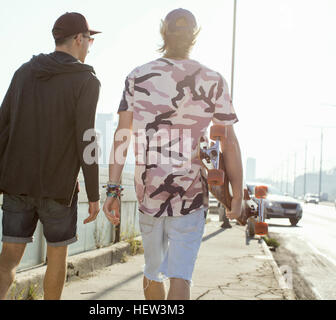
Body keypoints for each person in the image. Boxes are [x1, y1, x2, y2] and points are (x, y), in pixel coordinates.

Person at [103, 8, 243, 300]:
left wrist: (113, 189)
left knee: (153, 271)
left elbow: (122, 136)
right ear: (194, 36)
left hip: (149, 193)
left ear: (162, 32)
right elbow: (228, 141)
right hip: (190, 195)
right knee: (180, 277)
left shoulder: (137, 76)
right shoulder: (212, 79)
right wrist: (238, 195)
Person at [0, 12, 101, 300]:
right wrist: (94, 194)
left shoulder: (24, 71)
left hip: (16, 182)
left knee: (9, 255)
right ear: (77, 39)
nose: (89, 45)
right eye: (89, 39)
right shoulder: (86, 80)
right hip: (58, 188)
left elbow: (1, 125)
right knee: (56, 258)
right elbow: (87, 139)